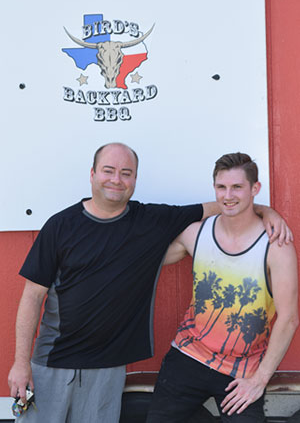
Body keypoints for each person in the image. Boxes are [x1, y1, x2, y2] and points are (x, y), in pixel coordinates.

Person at [8, 144, 291, 423]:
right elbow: (32, 296)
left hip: (108, 366)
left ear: (134, 180)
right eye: (109, 171)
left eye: (126, 173)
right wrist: (21, 364)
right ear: (93, 174)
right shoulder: (60, 226)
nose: (116, 179)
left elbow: (227, 205)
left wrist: (266, 212)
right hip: (54, 361)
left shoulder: (148, 220)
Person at [146, 152, 299, 423]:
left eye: (237, 187)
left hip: (243, 370)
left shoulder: (276, 247)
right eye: (221, 187)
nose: (228, 195)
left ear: (255, 189)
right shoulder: (195, 234)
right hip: (188, 355)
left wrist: (259, 380)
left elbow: (288, 318)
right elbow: (146, 259)